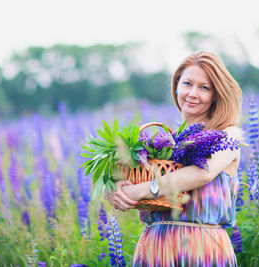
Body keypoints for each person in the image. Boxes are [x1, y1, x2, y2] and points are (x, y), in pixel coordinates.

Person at [104, 51, 243, 267]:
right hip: (154, 250)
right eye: (187, 83)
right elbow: (124, 175)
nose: (193, 93)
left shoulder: (229, 135)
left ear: (216, 94)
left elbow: (202, 172)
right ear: (177, 86)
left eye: (204, 87)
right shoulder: (165, 142)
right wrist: (113, 191)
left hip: (202, 251)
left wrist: (141, 190)